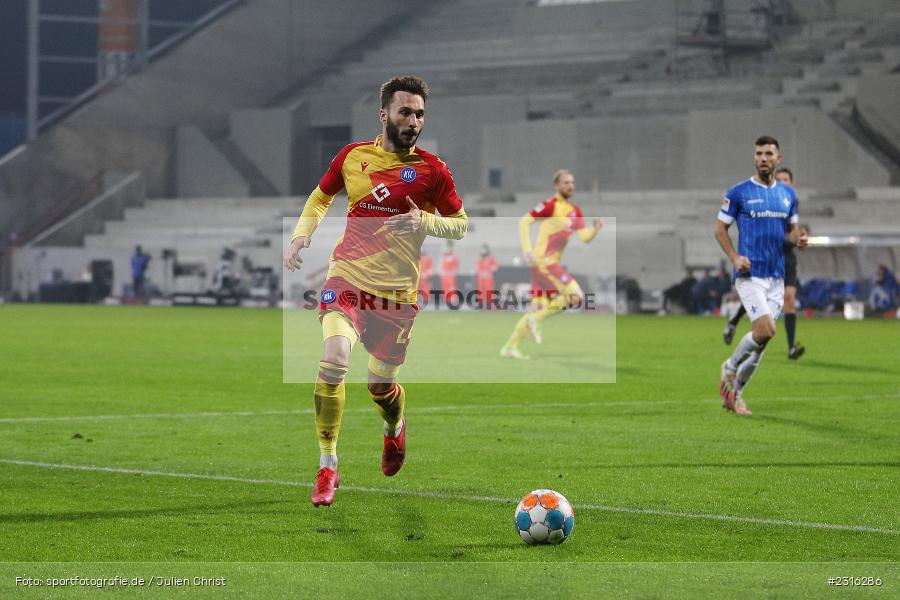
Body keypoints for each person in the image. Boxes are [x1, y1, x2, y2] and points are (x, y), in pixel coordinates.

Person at [283, 76, 467, 506]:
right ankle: (328, 465)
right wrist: (300, 235)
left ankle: (393, 428)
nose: (413, 120)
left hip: (397, 297)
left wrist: (425, 222)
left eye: (420, 113)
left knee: (380, 388)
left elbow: (460, 224)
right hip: (347, 278)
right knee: (333, 358)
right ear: (384, 114)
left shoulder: (433, 171)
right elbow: (320, 196)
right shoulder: (353, 157)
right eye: (405, 112)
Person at [715, 136, 808, 415]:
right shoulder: (739, 191)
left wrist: (798, 239)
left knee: (760, 344)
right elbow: (720, 229)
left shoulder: (788, 195)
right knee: (767, 330)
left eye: (769, 153)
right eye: (759, 154)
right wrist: (734, 257)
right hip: (750, 275)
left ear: (777, 158)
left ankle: (735, 395)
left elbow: (791, 232)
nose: (763, 158)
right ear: (754, 158)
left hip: (776, 277)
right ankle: (729, 369)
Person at [500, 170, 603, 359]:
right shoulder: (550, 205)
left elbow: (585, 238)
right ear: (556, 185)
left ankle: (510, 346)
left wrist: (594, 230)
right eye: (565, 183)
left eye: (572, 182)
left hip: (548, 264)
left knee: (538, 307)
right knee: (576, 296)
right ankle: (535, 320)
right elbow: (524, 221)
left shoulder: (575, 212)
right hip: (544, 262)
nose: (570, 186)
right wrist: (527, 250)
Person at [724, 166, 808, 359]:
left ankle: (790, 347)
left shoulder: (790, 200)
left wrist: (800, 239)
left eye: (787, 179)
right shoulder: (764, 199)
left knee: (789, 300)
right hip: (764, 259)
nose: (784, 182)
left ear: (791, 183)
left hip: (785, 259)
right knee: (759, 301)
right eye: (781, 179)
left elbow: (793, 231)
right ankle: (733, 323)